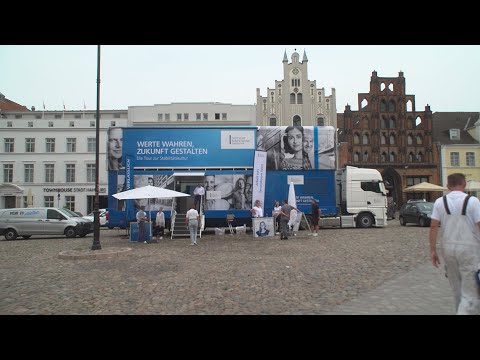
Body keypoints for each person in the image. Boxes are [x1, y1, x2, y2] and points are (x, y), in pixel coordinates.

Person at [429, 173, 480, 315]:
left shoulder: (440, 202)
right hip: (470, 248)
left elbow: (433, 226)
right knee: (470, 293)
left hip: (448, 248)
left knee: (456, 289)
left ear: (448, 186)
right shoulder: (473, 201)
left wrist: (433, 250)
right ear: (464, 184)